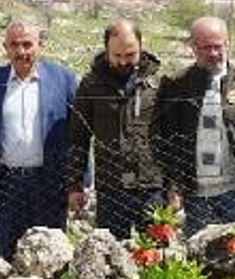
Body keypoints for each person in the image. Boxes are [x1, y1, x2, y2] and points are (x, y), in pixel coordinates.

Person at [0, 20, 78, 259]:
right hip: (5, 184)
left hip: (49, 184)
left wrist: (78, 183)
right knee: (6, 251)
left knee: (50, 255)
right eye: (14, 45)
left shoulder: (63, 80)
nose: (21, 51)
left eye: (27, 44)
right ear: (5, 47)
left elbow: (78, 136)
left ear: (40, 45)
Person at [151, 16, 235, 237]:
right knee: (198, 260)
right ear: (192, 47)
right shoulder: (176, 85)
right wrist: (172, 183)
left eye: (218, 46)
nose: (213, 53)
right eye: (205, 47)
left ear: (227, 44)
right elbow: (163, 139)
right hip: (195, 192)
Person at [65, 19, 164, 239]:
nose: (123, 62)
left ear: (140, 46)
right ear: (107, 50)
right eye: (116, 56)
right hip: (111, 187)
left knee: (157, 256)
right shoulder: (91, 85)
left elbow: (173, 136)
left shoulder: (159, 83)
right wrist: (75, 184)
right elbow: (78, 137)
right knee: (111, 255)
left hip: (152, 186)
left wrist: (176, 185)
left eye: (130, 55)